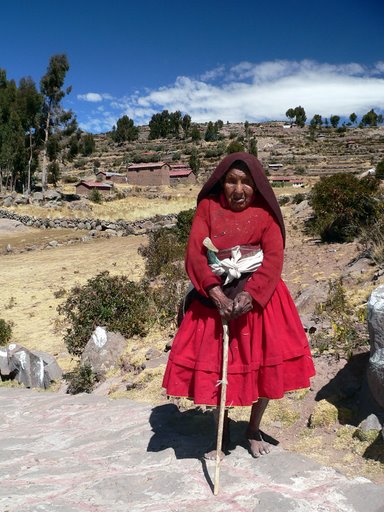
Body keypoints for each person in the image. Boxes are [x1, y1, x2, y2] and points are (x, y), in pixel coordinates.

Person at [162, 152, 315, 459]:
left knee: (262, 366)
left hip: (259, 299)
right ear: (222, 183)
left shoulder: (266, 213)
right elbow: (194, 253)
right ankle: (221, 431)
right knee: (218, 366)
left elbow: (273, 259)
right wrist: (216, 294)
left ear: (257, 186)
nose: (238, 189)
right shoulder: (208, 207)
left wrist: (250, 295)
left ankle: (253, 428)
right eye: (231, 181)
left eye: (246, 182)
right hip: (214, 296)